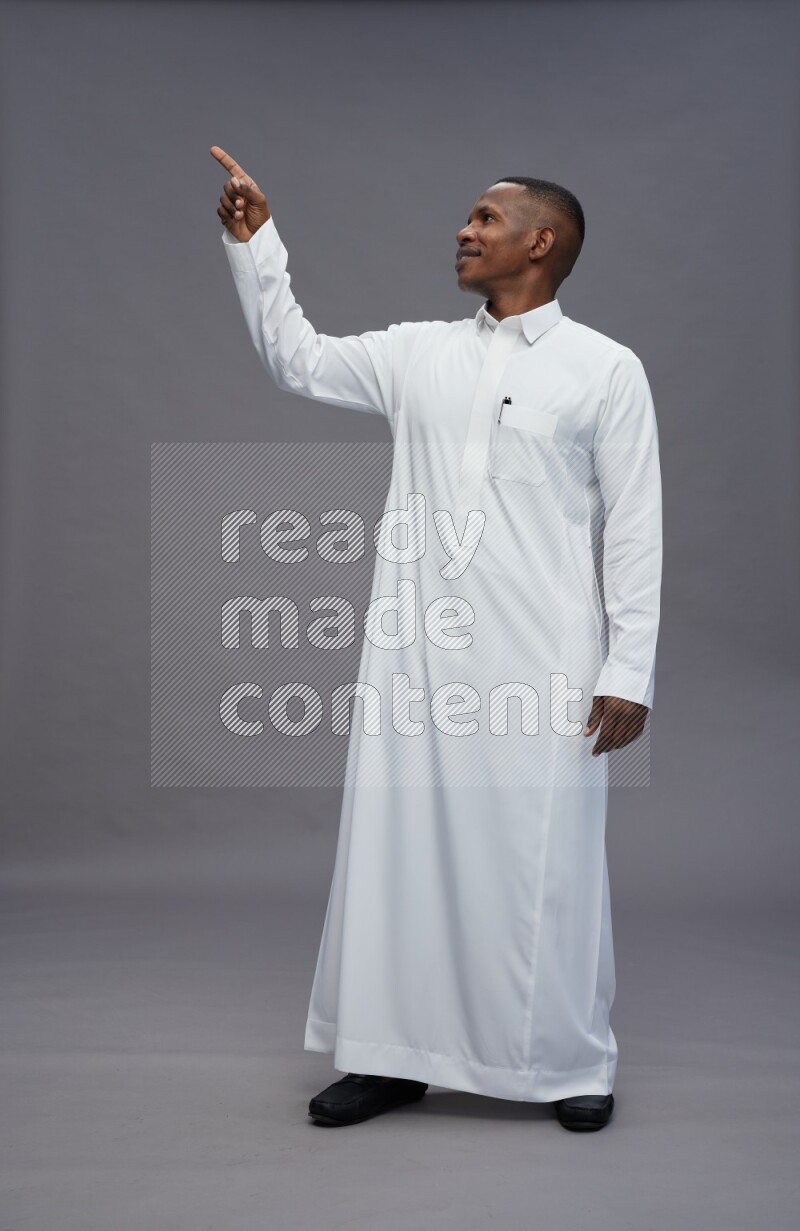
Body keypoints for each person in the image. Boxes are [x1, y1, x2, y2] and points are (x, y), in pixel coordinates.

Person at [210, 145, 662, 1133]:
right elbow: (296, 357)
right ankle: (388, 1056)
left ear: (538, 242)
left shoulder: (604, 370)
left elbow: (633, 524)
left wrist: (626, 668)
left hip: (543, 662)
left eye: (484, 219)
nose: (463, 230)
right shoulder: (418, 351)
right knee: (397, 852)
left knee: (544, 862)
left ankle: (564, 1059)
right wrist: (257, 246)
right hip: (415, 656)